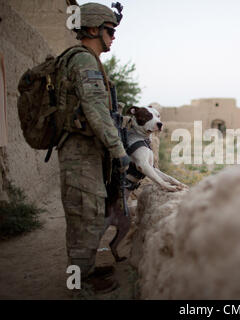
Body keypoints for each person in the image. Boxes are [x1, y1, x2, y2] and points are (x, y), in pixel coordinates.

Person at [58, 2, 130, 294]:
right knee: (83, 221)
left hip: (85, 154)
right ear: (91, 29)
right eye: (109, 30)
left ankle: (83, 274)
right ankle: (77, 288)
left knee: (87, 218)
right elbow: (96, 111)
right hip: (80, 155)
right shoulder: (84, 61)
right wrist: (119, 152)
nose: (113, 37)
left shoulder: (86, 60)